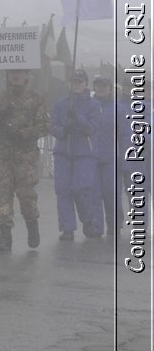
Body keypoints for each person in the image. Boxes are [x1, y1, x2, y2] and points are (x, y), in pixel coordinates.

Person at [0, 68, 51, 252]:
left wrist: (23, 134)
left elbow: (44, 126)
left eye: (20, 73)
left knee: (26, 194)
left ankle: (32, 223)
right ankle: (5, 236)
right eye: (13, 73)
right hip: (4, 154)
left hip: (26, 155)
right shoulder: (0, 97)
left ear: (27, 76)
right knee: (3, 194)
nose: (16, 76)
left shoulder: (36, 98)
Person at [50, 68, 104, 241]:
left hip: (84, 152)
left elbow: (92, 128)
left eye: (80, 81)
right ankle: (67, 228)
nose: (77, 84)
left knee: (80, 188)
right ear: (69, 83)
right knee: (63, 190)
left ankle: (88, 219)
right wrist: (62, 130)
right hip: (63, 151)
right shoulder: (60, 103)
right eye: (74, 81)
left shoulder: (94, 105)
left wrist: (78, 117)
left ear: (85, 84)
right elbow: (52, 125)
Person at [92, 75, 125, 233]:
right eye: (98, 85)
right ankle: (96, 227)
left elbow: (126, 131)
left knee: (112, 192)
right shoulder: (89, 106)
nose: (101, 88)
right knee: (94, 194)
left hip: (112, 156)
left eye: (104, 86)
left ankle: (114, 223)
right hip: (91, 157)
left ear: (110, 88)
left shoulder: (119, 108)